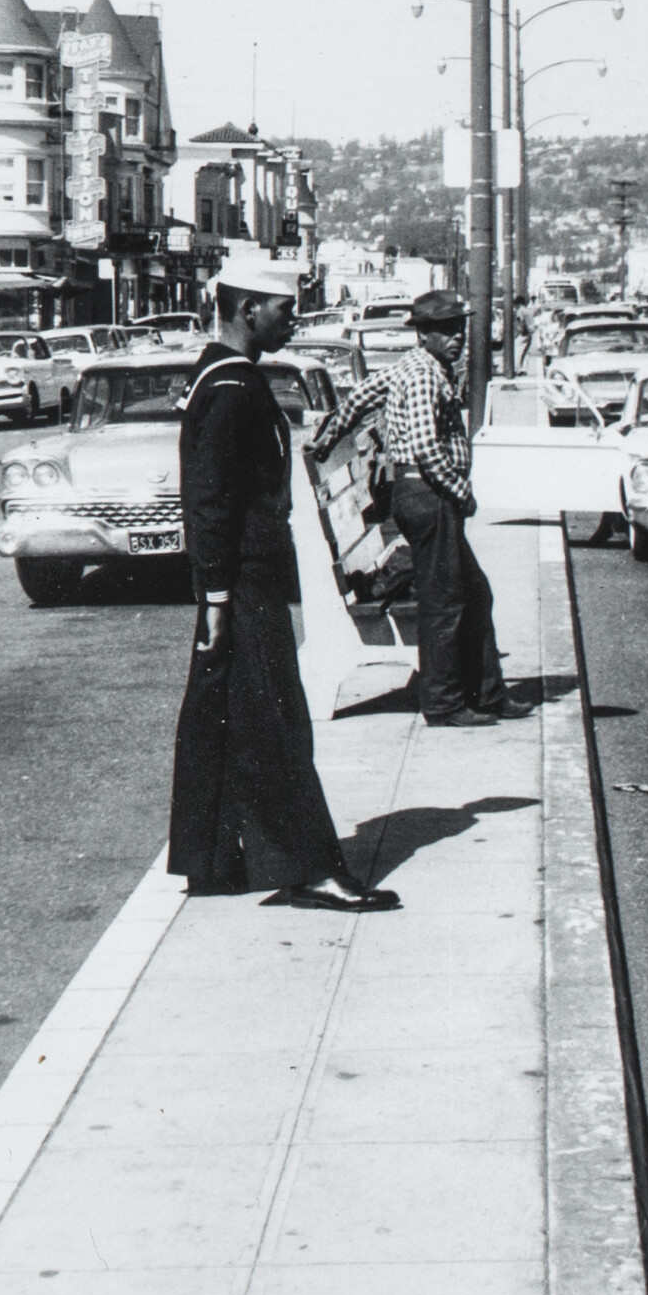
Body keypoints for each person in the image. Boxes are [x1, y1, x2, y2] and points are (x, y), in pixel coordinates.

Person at [168, 259, 398, 913]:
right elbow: (210, 503)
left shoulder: (223, 375)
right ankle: (308, 868)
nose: (291, 321)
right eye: (283, 311)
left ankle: (212, 862)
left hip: (240, 583)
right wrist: (215, 598)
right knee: (277, 725)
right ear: (248, 311)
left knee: (224, 718)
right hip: (242, 585)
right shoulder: (233, 388)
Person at [306, 289, 531, 730]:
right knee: (446, 601)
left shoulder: (409, 367)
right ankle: (445, 704)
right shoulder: (426, 375)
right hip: (429, 495)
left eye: (459, 329)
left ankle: (488, 693)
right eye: (444, 331)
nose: (456, 338)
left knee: (476, 591)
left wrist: (328, 437)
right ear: (423, 335)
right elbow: (428, 450)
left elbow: (356, 400)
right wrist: (460, 492)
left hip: (418, 496)